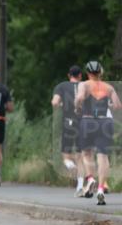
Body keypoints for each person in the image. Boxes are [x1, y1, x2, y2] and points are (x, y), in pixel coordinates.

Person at [75, 60, 121, 206]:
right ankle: (101, 189)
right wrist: (110, 105)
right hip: (105, 122)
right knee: (103, 155)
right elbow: (118, 106)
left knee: (86, 153)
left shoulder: (84, 85)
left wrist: (77, 106)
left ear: (88, 73)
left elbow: (80, 97)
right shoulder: (109, 87)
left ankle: (90, 178)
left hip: (88, 121)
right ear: (100, 72)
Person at [51, 65, 86, 196]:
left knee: (66, 156)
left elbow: (55, 102)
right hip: (84, 123)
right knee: (80, 155)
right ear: (80, 76)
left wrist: (60, 104)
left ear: (68, 75)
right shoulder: (85, 86)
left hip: (69, 123)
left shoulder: (62, 86)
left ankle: (72, 168)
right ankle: (80, 186)